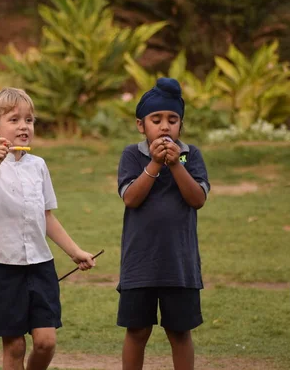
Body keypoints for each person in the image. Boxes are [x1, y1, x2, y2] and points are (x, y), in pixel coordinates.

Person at [0, 87, 96, 370]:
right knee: (14, 347)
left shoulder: (38, 166)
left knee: (46, 342)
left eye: (29, 120)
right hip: (0, 266)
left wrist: (75, 252)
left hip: (40, 266)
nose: (24, 126)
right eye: (14, 119)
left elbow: (46, 216)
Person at [116, 78, 210, 370]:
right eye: (156, 119)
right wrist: (155, 164)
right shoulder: (132, 155)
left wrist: (175, 164)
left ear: (181, 124)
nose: (165, 126)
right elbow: (131, 198)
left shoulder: (191, 155)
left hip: (179, 263)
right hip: (139, 263)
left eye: (173, 119)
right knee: (137, 330)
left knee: (180, 331)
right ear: (141, 125)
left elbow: (197, 199)